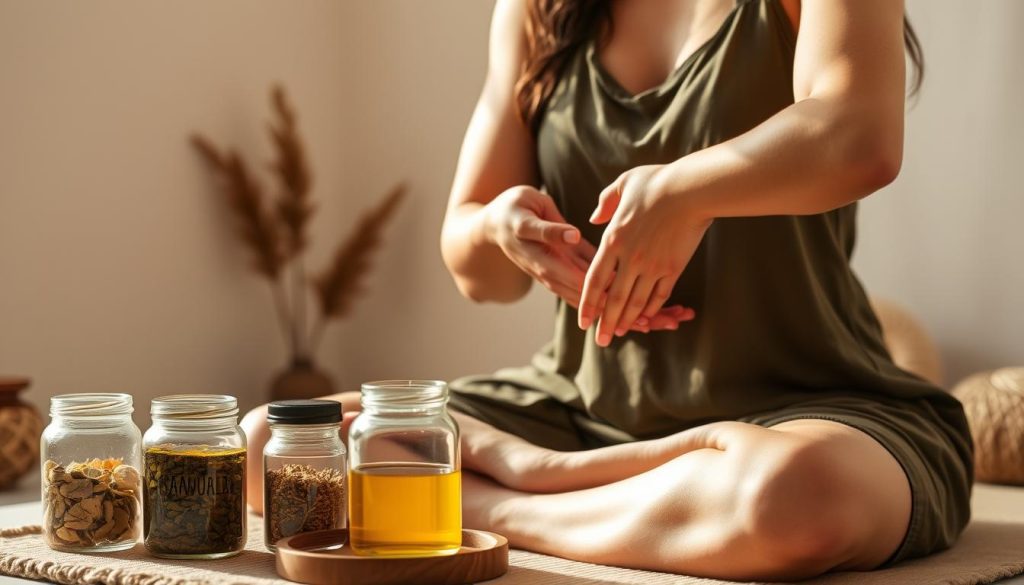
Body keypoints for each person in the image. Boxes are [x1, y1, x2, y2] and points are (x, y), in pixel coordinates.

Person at [242, 0, 972, 579]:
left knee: (789, 498)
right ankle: (576, 480)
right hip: (575, 405)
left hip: (813, 404)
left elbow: (860, 134)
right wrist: (502, 228)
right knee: (267, 444)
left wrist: (685, 191)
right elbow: (476, 270)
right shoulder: (539, 9)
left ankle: (507, 499)